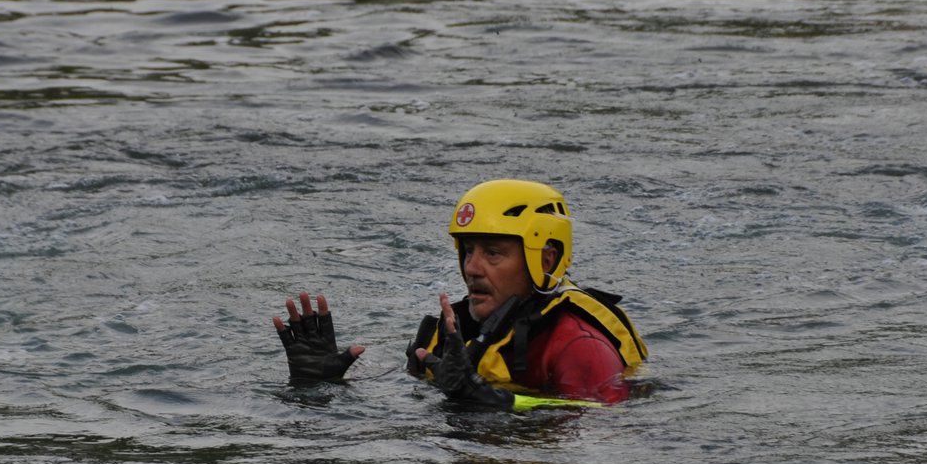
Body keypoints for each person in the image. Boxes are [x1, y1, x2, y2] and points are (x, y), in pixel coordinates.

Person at [272, 179, 647, 409]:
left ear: (546, 258)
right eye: (468, 250)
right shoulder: (457, 329)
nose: (471, 267)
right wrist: (324, 385)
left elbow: (605, 431)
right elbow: (411, 396)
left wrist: (488, 400)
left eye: (493, 253)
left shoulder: (579, 346)